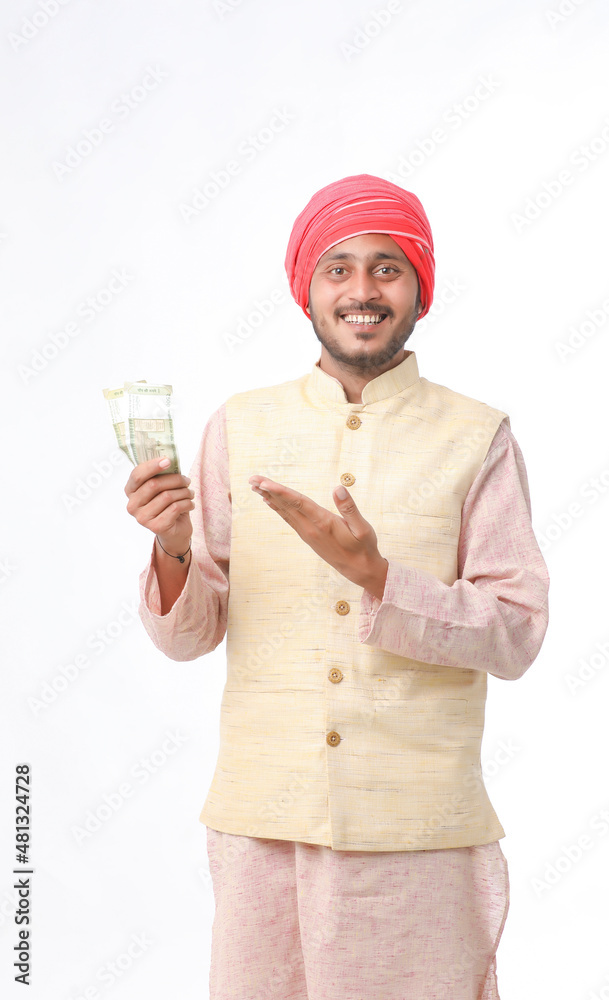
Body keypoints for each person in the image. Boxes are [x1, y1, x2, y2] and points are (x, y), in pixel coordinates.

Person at [125, 173, 550, 1000]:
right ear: (305, 289)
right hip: (260, 824)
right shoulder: (239, 427)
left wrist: (379, 580)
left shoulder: (476, 436)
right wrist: (175, 548)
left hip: (417, 828)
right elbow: (189, 636)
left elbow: (516, 633)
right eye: (338, 267)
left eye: (386, 267)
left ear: (420, 286)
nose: (362, 290)